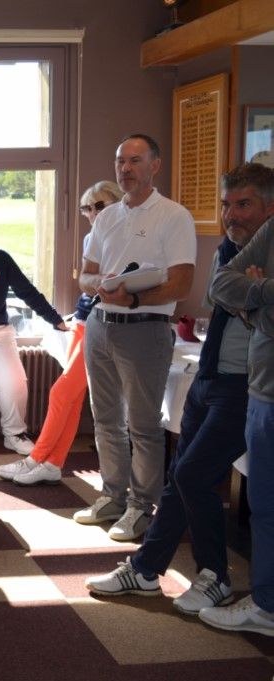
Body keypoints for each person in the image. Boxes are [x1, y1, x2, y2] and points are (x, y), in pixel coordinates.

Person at [85, 163, 274, 612]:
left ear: (269, 208)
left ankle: (214, 576)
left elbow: (242, 305)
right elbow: (218, 294)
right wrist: (252, 294)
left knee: (192, 475)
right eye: (226, 205)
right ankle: (146, 569)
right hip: (208, 376)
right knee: (179, 477)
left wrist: (252, 295)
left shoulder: (265, 254)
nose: (232, 215)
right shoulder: (229, 249)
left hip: (244, 386)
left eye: (244, 204)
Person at [76, 134, 195, 542]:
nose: (125, 168)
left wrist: (134, 297)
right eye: (120, 161)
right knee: (106, 419)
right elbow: (85, 274)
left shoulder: (174, 216)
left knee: (142, 425)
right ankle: (112, 496)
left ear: (154, 166)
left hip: (145, 328)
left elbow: (181, 283)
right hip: (100, 325)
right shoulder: (107, 217)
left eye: (134, 161)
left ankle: (142, 506)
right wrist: (101, 285)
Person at [0, 181, 124, 485]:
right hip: (83, 321)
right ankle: (52, 464)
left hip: (102, 324)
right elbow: (91, 283)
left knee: (61, 392)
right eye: (87, 208)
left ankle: (36, 458)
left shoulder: (125, 238)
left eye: (100, 205)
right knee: (72, 397)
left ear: (118, 204)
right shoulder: (93, 238)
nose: (93, 213)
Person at [202, 214, 274, 637]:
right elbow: (220, 285)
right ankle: (267, 605)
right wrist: (263, 294)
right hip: (263, 391)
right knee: (264, 507)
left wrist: (255, 302)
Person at [0, 222, 66, 453]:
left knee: (14, 381)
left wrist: (56, 320)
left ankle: (14, 435)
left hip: (0, 330)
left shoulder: (1, 260)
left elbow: (27, 291)